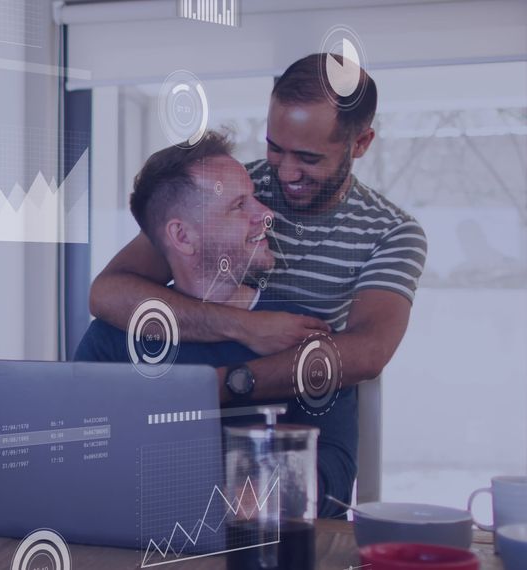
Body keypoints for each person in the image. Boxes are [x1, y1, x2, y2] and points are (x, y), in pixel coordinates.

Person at [88, 53, 427, 406]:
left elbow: (369, 350)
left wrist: (221, 386)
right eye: (275, 149)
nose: (285, 174)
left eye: (309, 158)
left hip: (298, 408)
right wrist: (246, 326)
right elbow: (109, 292)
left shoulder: (392, 233)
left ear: (360, 144)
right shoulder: (231, 188)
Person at [74, 131, 358, 518]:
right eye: (240, 205)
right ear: (183, 236)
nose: (267, 215)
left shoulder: (303, 334)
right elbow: (81, 462)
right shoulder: (110, 340)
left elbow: (337, 472)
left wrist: (267, 496)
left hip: (267, 543)